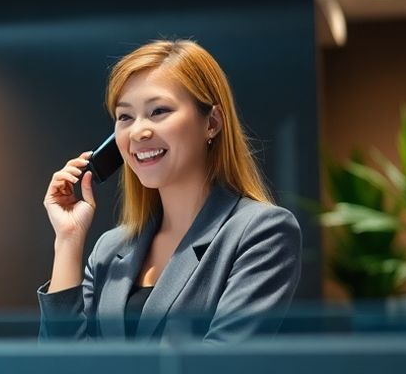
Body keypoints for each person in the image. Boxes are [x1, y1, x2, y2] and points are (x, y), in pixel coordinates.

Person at [38, 39, 301, 343]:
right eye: (125, 117)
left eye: (159, 111)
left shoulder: (262, 232)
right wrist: (68, 241)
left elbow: (217, 371)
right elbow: (59, 369)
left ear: (212, 123)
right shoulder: (109, 249)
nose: (138, 131)